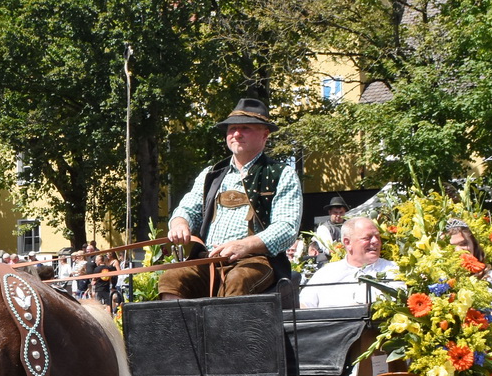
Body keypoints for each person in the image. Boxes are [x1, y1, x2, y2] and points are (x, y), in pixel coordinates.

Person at [163, 98, 303, 298]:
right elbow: (188, 209)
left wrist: (245, 245)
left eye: (245, 128)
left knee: (237, 279)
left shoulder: (282, 174)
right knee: (172, 279)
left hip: (256, 261)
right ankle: (177, 330)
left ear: (265, 135)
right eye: (232, 128)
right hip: (207, 260)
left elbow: (286, 227)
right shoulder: (211, 174)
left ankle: (226, 330)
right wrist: (179, 223)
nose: (236, 134)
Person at [298, 217, 401, 308]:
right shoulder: (326, 273)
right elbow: (304, 305)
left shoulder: (392, 270)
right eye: (367, 238)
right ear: (347, 243)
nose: (375, 241)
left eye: (377, 237)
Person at [448, 223, 492, 318]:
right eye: (451, 246)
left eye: (464, 244)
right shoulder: (437, 278)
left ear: (474, 246)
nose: (458, 250)